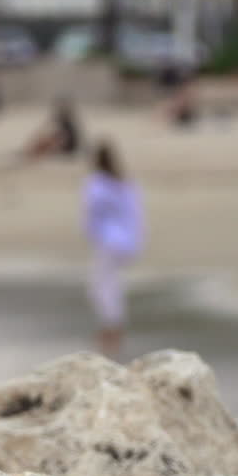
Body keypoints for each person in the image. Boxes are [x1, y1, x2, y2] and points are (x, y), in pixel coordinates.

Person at [83, 140, 144, 359]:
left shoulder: (97, 184)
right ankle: (113, 331)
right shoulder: (125, 183)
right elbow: (136, 214)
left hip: (108, 240)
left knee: (101, 286)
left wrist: (92, 234)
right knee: (112, 284)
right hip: (127, 240)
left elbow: (91, 214)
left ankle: (111, 331)